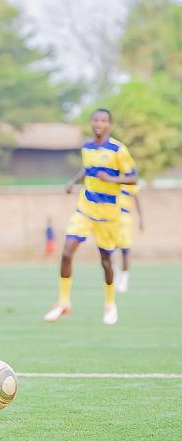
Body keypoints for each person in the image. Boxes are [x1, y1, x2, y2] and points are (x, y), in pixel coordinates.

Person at [44, 109, 137, 325]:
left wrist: (112, 180)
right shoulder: (87, 146)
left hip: (108, 216)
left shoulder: (118, 150)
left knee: (106, 262)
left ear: (109, 125)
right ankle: (63, 302)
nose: (98, 124)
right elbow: (87, 169)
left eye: (103, 121)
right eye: (95, 120)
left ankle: (110, 304)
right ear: (91, 123)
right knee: (67, 252)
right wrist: (73, 182)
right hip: (85, 210)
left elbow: (133, 178)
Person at [116, 185, 143, 292]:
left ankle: (124, 280)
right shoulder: (110, 177)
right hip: (110, 217)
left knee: (125, 250)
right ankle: (115, 275)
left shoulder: (129, 180)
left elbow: (137, 199)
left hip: (124, 217)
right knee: (109, 249)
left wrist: (141, 219)